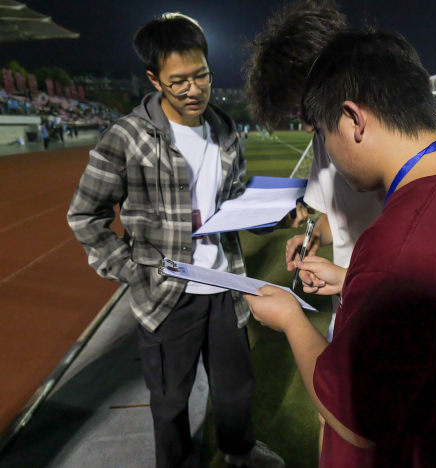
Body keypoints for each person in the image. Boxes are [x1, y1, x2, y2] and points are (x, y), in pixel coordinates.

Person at [244, 29, 436, 468]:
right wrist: (355, 279)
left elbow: (354, 418)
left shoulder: (397, 239)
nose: (327, 153)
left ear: (354, 118)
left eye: (324, 133)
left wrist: (290, 318)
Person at [67, 13, 290, 468]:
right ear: (154, 80)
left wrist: (275, 212)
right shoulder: (127, 137)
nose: (194, 90)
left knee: (235, 387)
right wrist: (132, 271)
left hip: (225, 285)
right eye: (179, 81)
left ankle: (239, 452)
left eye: (202, 75)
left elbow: (232, 203)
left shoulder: (226, 130)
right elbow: (85, 214)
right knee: (170, 399)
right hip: (167, 294)